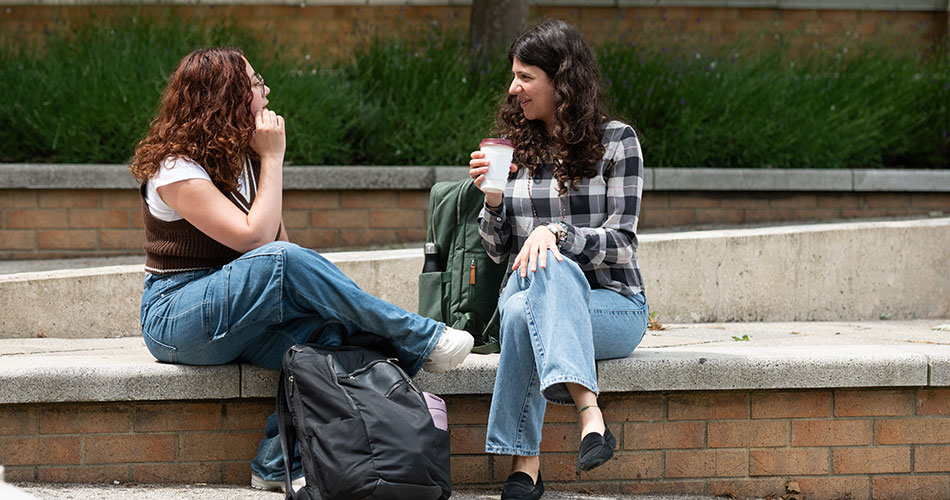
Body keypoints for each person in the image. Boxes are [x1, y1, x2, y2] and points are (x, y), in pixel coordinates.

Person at [129, 47, 473, 492]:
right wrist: (275, 159)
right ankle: (418, 336)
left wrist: (262, 162)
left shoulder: (246, 158)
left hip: (237, 313)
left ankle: (274, 462)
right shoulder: (175, 167)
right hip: (176, 314)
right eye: (255, 83)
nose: (266, 89)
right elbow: (256, 242)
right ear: (227, 97)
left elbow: (279, 250)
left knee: (327, 335)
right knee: (289, 267)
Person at [468, 20, 649, 500]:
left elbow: (624, 243)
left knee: (545, 273)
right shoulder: (513, 149)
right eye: (514, 76)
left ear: (561, 79)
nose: (513, 88)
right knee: (530, 292)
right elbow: (495, 250)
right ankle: (591, 415)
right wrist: (490, 199)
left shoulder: (617, 142)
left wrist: (558, 234)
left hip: (612, 305)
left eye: (526, 76)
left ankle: (524, 464)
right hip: (526, 292)